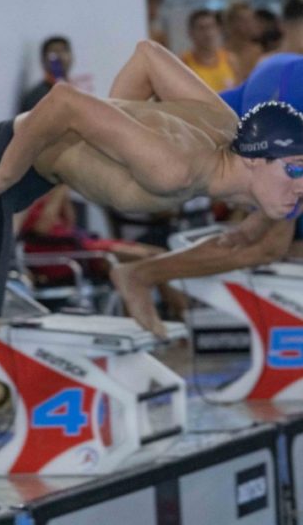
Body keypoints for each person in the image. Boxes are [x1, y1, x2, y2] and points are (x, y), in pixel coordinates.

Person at [0, 40, 303, 406]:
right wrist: (3, 175)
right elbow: (64, 101)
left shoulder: (224, 126)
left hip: (32, 173)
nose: (301, 186)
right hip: (3, 164)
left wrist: (116, 128)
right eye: (294, 171)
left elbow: (148, 56)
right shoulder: (174, 168)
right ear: (257, 161)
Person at [113, 52, 303, 338]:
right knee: (269, 244)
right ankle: (139, 275)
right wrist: (261, 219)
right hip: (282, 95)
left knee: (274, 237)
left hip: (280, 75)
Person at [181, 9, 237, 93]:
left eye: (211, 27)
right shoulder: (183, 63)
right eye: (201, 28)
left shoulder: (230, 59)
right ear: (191, 33)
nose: (208, 33)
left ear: (218, 29)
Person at [20, 36, 72, 112]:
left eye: (64, 50)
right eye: (54, 52)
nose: (61, 56)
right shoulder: (36, 96)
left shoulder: (76, 92)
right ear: (43, 59)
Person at [224, 1, 265, 81]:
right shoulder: (223, 53)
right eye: (244, 20)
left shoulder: (257, 51)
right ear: (231, 23)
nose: (249, 24)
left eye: (251, 19)